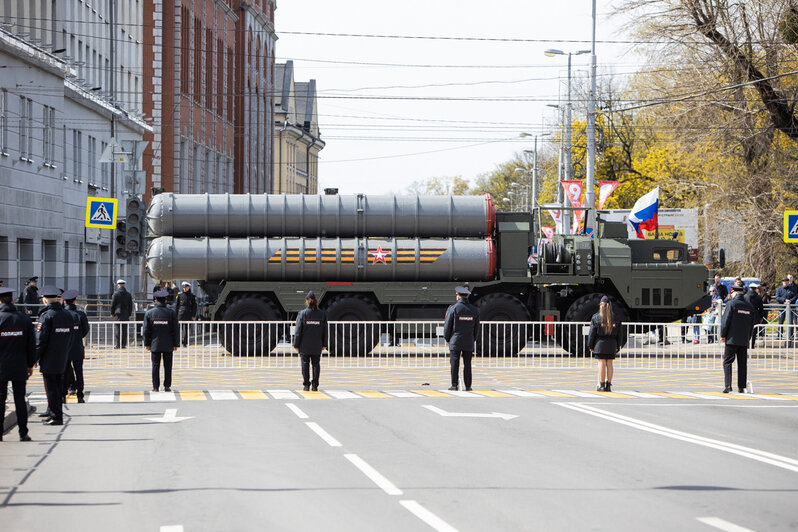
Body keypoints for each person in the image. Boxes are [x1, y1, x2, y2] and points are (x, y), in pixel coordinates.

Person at [0, 287, 36, 441]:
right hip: (20, 364)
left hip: (1, 366)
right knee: (20, 399)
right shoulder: (23, 319)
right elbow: (31, 344)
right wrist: (30, 364)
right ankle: (23, 432)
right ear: (13, 300)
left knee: (0, 398)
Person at [36, 286, 74, 425]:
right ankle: (55, 412)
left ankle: (56, 416)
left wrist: (34, 357)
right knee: (58, 387)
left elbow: (41, 340)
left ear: (45, 300)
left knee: (51, 388)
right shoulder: (67, 315)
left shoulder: (47, 316)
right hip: (63, 356)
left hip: (49, 358)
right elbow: (71, 338)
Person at [443, 286, 480, 391]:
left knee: (455, 362)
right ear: (467, 296)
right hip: (468, 341)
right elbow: (477, 328)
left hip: (455, 340)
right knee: (467, 364)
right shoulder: (474, 310)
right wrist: (473, 339)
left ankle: (454, 385)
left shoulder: (453, 309)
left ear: (458, 296)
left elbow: (447, 326)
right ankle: (468, 386)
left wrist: (447, 338)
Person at [720, 284, 755, 393]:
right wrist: (748, 338)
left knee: (727, 362)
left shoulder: (731, 304)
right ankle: (741, 386)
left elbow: (725, 322)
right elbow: (751, 324)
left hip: (731, 339)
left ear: (734, 292)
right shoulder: (749, 306)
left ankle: (728, 385)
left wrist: (723, 335)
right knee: (742, 364)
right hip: (744, 340)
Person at [142, 290, 180, 392]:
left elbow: (146, 330)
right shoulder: (171, 313)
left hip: (154, 344)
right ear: (166, 300)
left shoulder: (149, 313)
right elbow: (176, 329)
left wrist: (146, 343)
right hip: (168, 344)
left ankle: (155, 387)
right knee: (168, 366)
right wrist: (176, 343)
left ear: (155, 300)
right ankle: (167, 386)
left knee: (155, 366)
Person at [588, 296, 625, 392]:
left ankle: (601, 385)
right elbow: (620, 334)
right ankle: (608, 385)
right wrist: (618, 345)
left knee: (601, 363)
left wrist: (590, 345)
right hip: (612, 344)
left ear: (601, 305)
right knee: (610, 364)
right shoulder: (616, 318)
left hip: (600, 344)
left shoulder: (595, 318)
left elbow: (592, 334)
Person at [292, 291, 328, 391]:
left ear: (307, 301)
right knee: (316, 364)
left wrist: (296, 344)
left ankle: (306, 385)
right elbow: (325, 330)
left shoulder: (302, 314)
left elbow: (298, 330)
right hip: (317, 344)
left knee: (305, 364)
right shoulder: (322, 314)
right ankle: (315, 385)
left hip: (304, 345)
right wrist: (324, 344)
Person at [62, 290, 90, 403]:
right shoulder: (80, 314)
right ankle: (80, 395)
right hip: (77, 347)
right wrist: (78, 336)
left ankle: (63, 395)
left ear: (65, 302)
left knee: (64, 371)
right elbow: (85, 330)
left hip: (65, 347)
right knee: (79, 372)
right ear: (75, 301)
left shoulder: (62, 314)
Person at [110, 279, 133, 348]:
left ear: (118, 285)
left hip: (118, 313)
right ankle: (123, 344)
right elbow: (130, 305)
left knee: (118, 329)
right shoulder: (128, 294)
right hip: (126, 313)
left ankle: (118, 344)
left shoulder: (116, 294)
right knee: (124, 329)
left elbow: (113, 304)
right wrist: (129, 313)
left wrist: (112, 313)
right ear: (124, 285)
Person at [174, 281, 197, 347]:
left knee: (187, 329)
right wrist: (175, 315)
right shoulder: (180, 295)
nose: (184, 289)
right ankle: (179, 342)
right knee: (179, 328)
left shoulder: (192, 296)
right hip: (181, 313)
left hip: (188, 313)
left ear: (189, 287)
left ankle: (185, 342)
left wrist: (193, 315)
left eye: (186, 287)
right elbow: (177, 305)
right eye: (184, 287)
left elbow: (194, 306)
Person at [744, 283, 764, 349]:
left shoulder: (745, 296)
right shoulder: (758, 297)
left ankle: (746, 344)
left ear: (750, 288)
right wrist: (761, 316)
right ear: (755, 289)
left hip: (746, 313)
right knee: (754, 331)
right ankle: (752, 344)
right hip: (755, 314)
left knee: (746, 330)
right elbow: (761, 308)